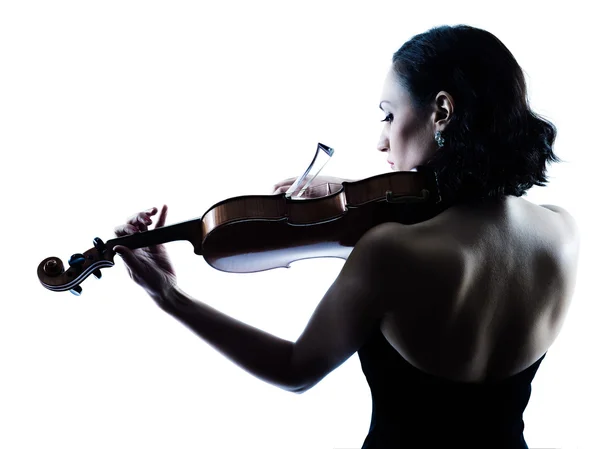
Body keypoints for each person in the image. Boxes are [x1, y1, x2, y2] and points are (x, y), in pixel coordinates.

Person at [112, 24, 580, 448]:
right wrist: (352, 197)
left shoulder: (391, 252)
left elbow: (295, 369)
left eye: (389, 115)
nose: (381, 141)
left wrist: (170, 295)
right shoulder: (561, 230)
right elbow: (466, 236)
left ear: (442, 110)